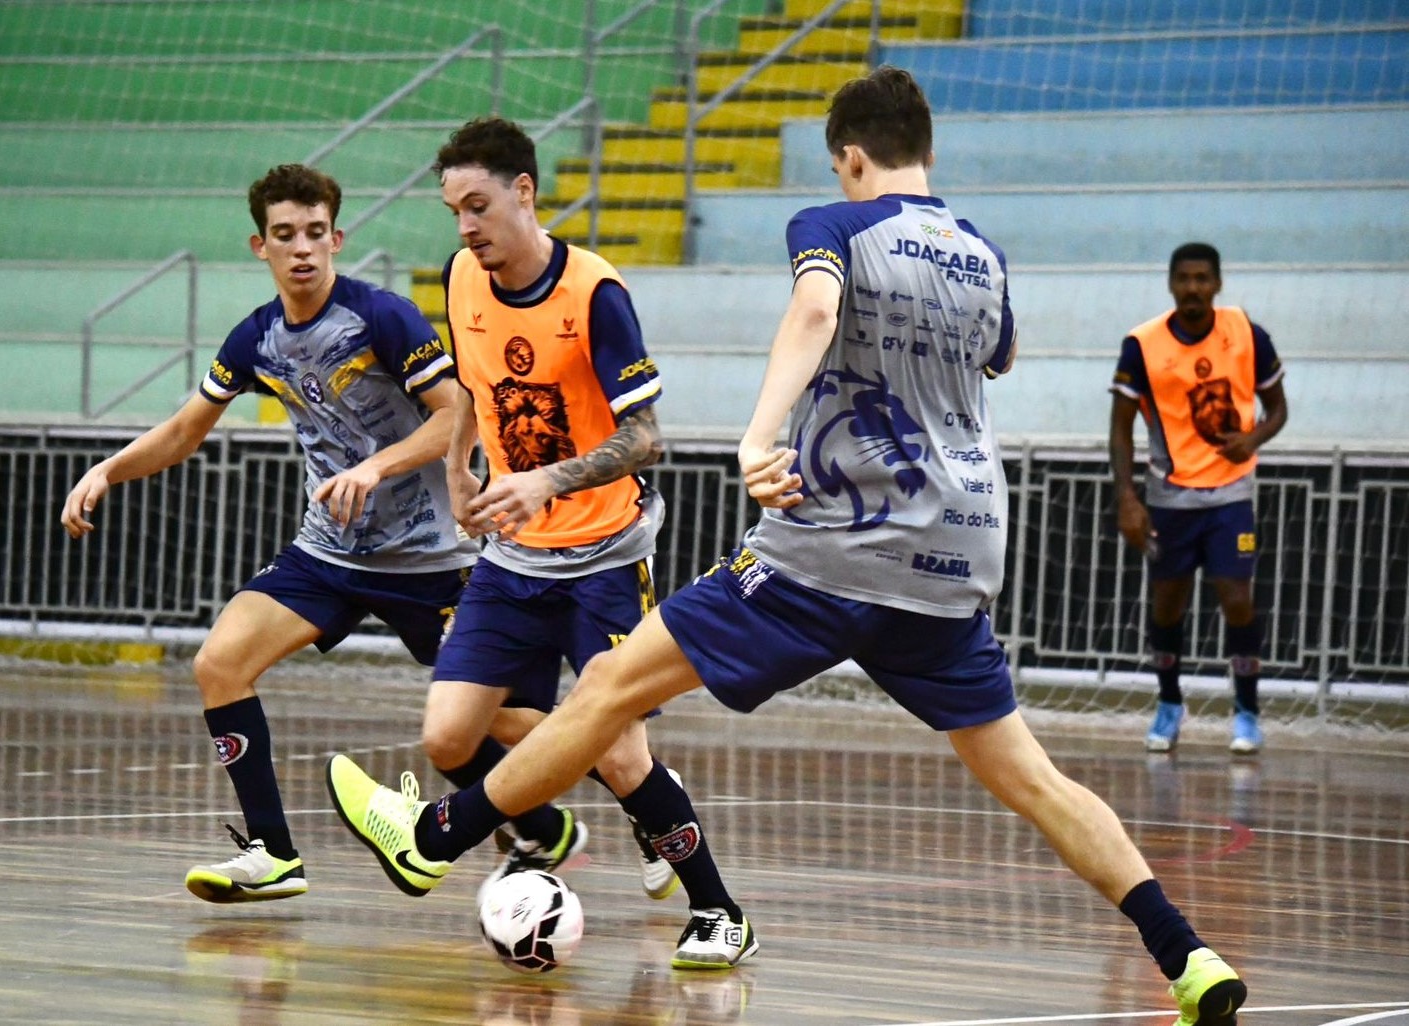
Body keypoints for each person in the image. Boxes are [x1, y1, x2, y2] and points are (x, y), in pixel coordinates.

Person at [324, 69, 1250, 1024]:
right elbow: (999, 354)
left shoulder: (833, 226)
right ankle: (1186, 957)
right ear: (923, 150)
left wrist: (757, 436)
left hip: (829, 546)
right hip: (954, 551)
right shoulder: (982, 253)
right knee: (1033, 780)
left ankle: (435, 837)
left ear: (849, 157)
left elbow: (815, 309)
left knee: (608, 689)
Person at [326, 115, 753, 969]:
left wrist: (546, 480)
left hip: (603, 554)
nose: (466, 228)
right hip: (511, 557)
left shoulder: (594, 294)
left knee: (622, 751)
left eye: (478, 206)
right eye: (454, 212)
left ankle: (718, 913)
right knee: (449, 734)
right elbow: (472, 397)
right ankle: (547, 827)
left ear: (524, 192)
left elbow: (646, 439)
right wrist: (457, 469)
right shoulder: (460, 276)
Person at [60, 163, 476, 903]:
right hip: (328, 553)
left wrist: (374, 469)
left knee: (483, 726)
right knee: (219, 663)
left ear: (337, 237)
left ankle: (561, 822)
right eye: (285, 236)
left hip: (431, 559)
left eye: (315, 233)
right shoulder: (256, 338)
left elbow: (452, 416)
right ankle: (272, 851)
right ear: (261, 246)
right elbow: (187, 429)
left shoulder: (382, 317)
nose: (302, 249)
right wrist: (108, 470)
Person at [1109, 242, 1288, 755]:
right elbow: (1120, 429)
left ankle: (1248, 713)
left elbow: (1277, 408)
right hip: (1170, 496)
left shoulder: (1247, 334)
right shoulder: (1142, 345)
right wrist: (1128, 498)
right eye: (1184, 279)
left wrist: (1252, 439)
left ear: (1217, 283)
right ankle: (1169, 704)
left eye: (1202, 278)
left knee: (1237, 599)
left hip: (1232, 494)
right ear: (1171, 284)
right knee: (1167, 605)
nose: (1193, 288)